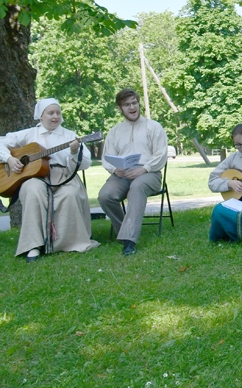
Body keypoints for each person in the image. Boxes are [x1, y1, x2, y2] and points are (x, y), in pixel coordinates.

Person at [0, 98, 98, 261]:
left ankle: (69, 243)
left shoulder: (69, 135)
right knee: (32, 191)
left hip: (64, 175)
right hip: (35, 176)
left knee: (70, 194)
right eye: (50, 113)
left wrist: (74, 152)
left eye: (58, 113)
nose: (55, 116)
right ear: (41, 115)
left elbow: (85, 162)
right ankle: (33, 245)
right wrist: (9, 159)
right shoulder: (29, 134)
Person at [98, 88, 168, 256]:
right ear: (120, 108)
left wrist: (143, 169)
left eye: (134, 103)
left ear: (138, 103)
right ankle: (125, 229)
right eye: (127, 105)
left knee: (137, 187)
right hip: (122, 174)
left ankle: (129, 241)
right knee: (105, 196)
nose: (132, 107)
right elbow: (107, 157)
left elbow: (161, 155)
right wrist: (115, 169)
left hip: (149, 173)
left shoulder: (153, 127)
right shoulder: (115, 131)